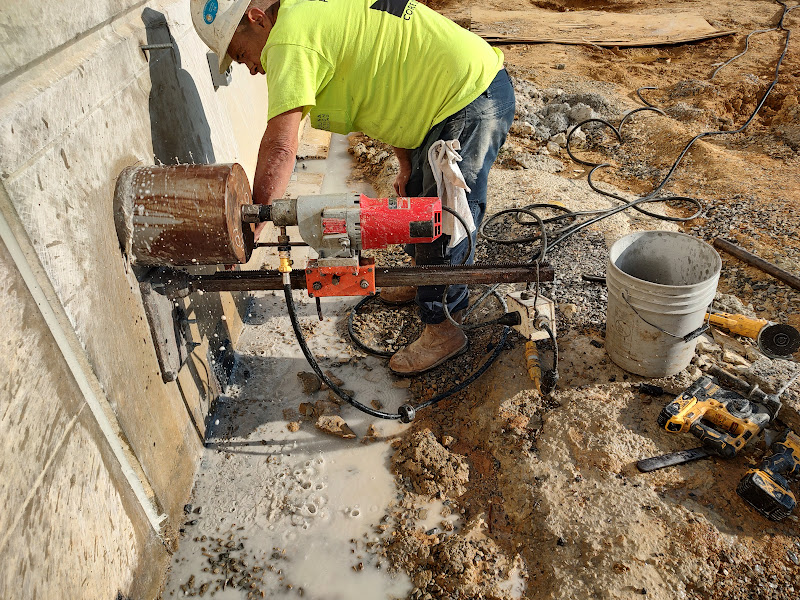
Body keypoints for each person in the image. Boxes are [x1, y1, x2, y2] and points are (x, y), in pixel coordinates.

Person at [191, 0, 515, 375]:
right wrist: (405, 158)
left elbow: (281, 147)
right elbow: (383, 77)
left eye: (241, 53)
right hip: (446, 93)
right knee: (416, 196)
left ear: (256, 19)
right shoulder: (306, 13)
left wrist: (254, 222)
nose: (249, 68)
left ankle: (443, 327)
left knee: (445, 216)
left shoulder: (288, 41)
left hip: (470, 96)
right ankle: (422, 279)